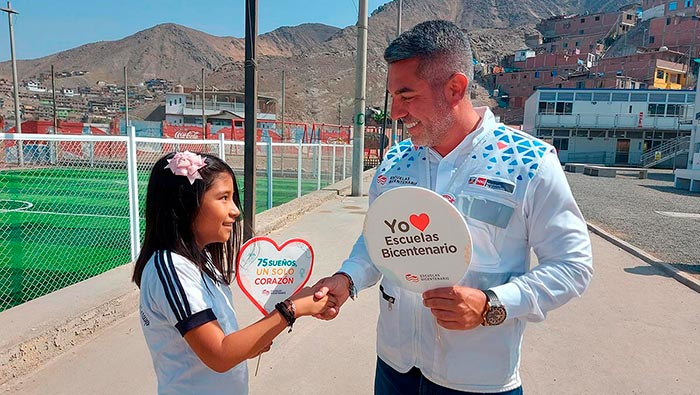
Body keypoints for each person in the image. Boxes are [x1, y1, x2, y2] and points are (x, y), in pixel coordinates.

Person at [313, 20, 593, 394]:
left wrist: (492, 304)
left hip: (478, 378)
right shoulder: (396, 160)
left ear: (455, 88)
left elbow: (573, 266)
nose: (395, 112)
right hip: (395, 366)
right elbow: (376, 241)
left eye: (407, 96)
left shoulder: (529, 161)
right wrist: (347, 279)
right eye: (392, 96)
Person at [132, 151, 333, 395]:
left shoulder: (198, 257)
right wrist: (293, 309)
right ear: (187, 204)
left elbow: (221, 339)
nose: (235, 210)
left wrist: (252, 343)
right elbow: (219, 354)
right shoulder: (171, 268)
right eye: (223, 198)